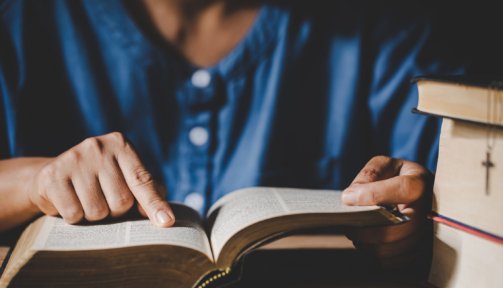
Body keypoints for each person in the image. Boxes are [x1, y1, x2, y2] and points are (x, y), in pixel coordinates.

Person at [0, 1, 498, 266]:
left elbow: (465, 189)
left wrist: (418, 211)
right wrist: (31, 182)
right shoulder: (21, 20)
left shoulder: (384, 26)